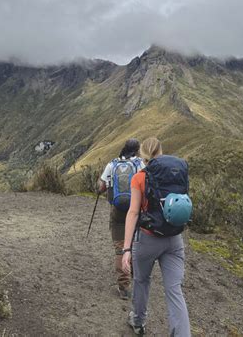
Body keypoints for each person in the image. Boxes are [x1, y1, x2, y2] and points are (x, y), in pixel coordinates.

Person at [122, 137, 191, 336]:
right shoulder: (177, 174)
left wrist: (126, 249)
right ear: (161, 152)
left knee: (142, 280)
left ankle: (138, 320)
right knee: (174, 290)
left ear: (142, 156)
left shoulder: (139, 178)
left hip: (148, 239)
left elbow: (133, 213)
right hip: (174, 240)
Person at [98, 139, 144, 300]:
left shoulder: (112, 164)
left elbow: (101, 186)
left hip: (117, 210)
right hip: (136, 209)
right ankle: (137, 277)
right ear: (137, 150)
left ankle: (123, 287)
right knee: (135, 244)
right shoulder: (140, 164)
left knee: (120, 247)